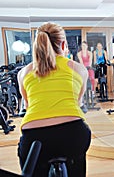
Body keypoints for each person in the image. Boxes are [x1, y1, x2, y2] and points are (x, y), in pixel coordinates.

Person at [17, 22, 91, 177]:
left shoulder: (23, 73)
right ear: (63, 44)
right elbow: (79, 103)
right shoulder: (78, 69)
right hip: (73, 134)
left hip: (35, 140)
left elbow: (27, 105)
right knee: (77, 160)